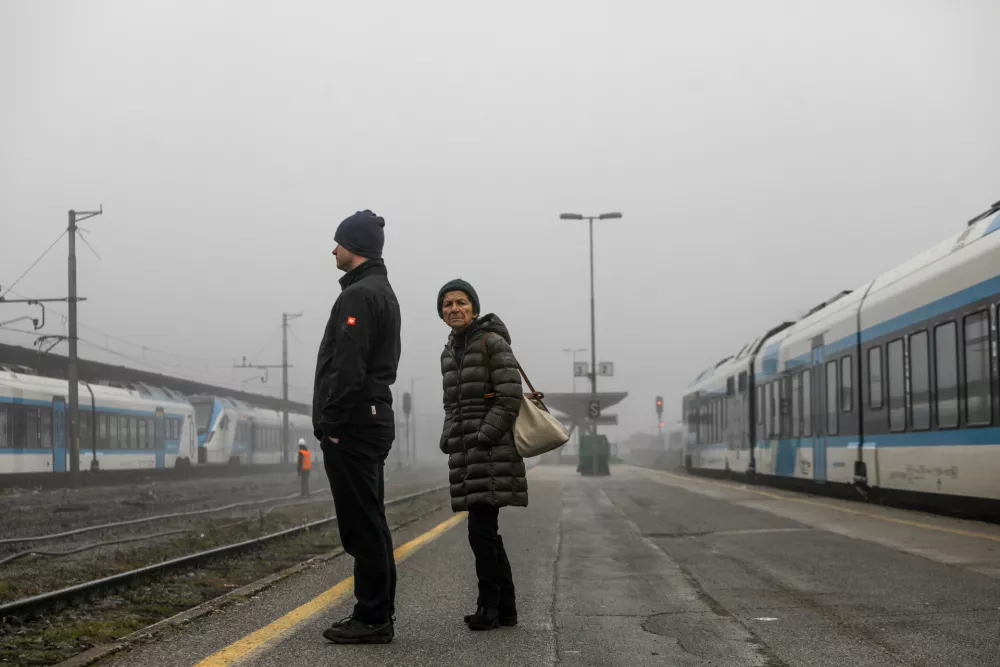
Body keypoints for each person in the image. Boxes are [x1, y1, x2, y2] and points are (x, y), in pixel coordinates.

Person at [313, 210, 401, 645]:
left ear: (357, 247)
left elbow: (347, 368)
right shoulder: (380, 291)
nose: (332, 249)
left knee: (362, 525)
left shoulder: (359, 296)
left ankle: (372, 618)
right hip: (369, 420)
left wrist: (331, 424)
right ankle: (376, 612)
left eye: (338, 242)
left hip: (352, 426)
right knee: (372, 521)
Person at [437, 279, 527, 631]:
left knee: (480, 530)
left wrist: (482, 436)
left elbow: (509, 397)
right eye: (447, 304)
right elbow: (451, 404)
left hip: (490, 451)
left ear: (474, 307)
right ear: (441, 314)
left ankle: (489, 607)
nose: (454, 309)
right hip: (465, 451)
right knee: (486, 532)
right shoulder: (449, 352)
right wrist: (449, 436)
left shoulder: (492, 342)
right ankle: (505, 609)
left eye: (461, 302)